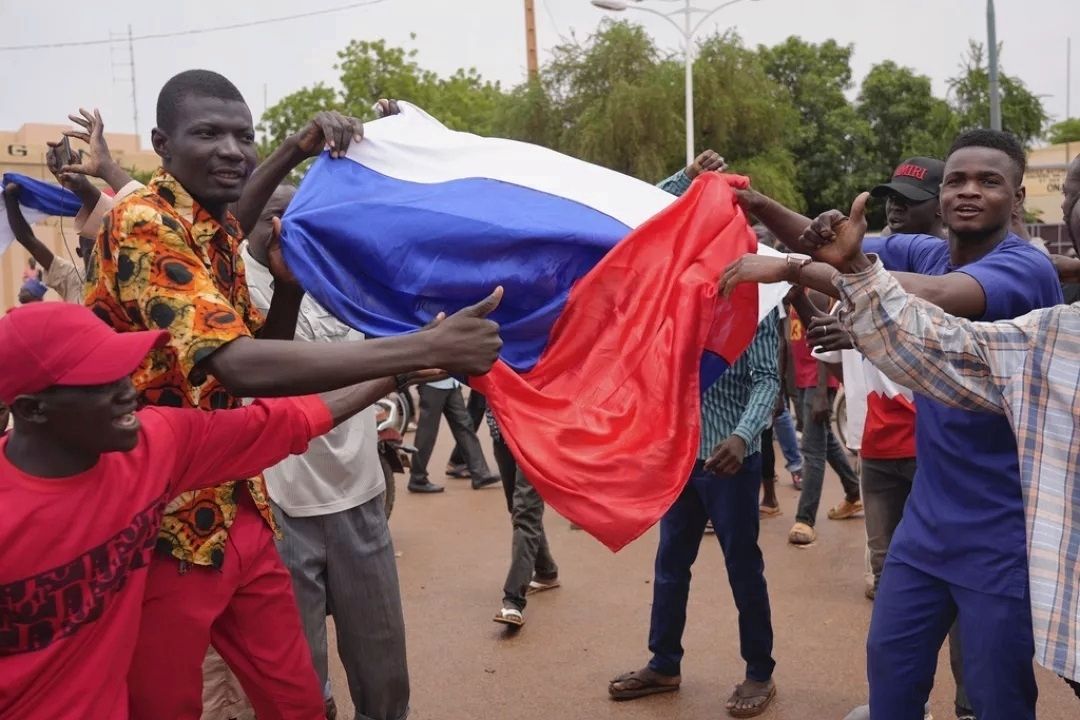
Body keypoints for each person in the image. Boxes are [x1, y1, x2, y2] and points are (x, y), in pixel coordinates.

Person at [83, 69, 502, 719]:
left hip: (238, 505)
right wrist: (426, 350)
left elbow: (245, 340)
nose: (231, 148)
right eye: (208, 133)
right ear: (162, 144)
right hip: (158, 526)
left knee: (298, 699)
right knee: (162, 706)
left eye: (243, 135)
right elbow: (241, 368)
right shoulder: (143, 221)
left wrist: (294, 171)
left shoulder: (209, 228)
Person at [721, 130, 1065, 720]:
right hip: (928, 524)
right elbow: (828, 241)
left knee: (997, 695)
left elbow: (931, 296)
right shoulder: (927, 248)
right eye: (957, 180)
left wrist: (787, 268)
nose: (968, 192)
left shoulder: (1025, 269)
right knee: (890, 670)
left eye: (989, 181)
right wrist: (757, 206)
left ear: (1018, 194)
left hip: (1003, 531)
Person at [0, 301, 425, 719]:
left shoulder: (154, 446)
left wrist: (403, 368)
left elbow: (284, 421)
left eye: (123, 370)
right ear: (31, 409)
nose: (128, 391)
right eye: (99, 381)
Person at [813, 157, 974, 719]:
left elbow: (922, 339)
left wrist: (863, 333)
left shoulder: (955, 280)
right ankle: (907, 704)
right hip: (876, 448)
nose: (895, 207)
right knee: (891, 578)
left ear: (941, 207)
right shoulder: (866, 265)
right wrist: (791, 279)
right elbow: (828, 329)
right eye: (890, 197)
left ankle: (969, 706)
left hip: (935, 453)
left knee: (958, 590)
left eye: (909, 196)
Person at [243, 185, 410, 720]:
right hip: (281, 508)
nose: (285, 229)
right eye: (274, 215)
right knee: (300, 687)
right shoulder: (230, 287)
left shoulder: (344, 281)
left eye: (298, 217)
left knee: (384, 680)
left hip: (360, 497)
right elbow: (274, 378)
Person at [608, 309, 780, 718]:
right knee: (669, 563)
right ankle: (664, 664)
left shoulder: (757, 302)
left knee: (742, 567)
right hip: (681, 458)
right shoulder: (677, 297)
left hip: (731, 462)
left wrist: (742, 436)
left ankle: (760, 671)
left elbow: (767, 379)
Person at [784, 287, 862, 545]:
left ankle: (805, 520)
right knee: (823, 441)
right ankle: (853, 492)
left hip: (819, 382)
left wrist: (820, 391)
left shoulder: (815, 292)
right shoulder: (793, 293)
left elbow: (824, 340)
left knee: (811, 449)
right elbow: (791, 339)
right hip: (804, 380)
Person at [489, 410, 560, 627]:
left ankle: (513, 600)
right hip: (500, 431)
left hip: (535, 433)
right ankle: (546, 571)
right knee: (517, 507)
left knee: (525, 512)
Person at [408, 379, 499, 493]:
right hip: (433, 384)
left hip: (451, 383)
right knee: (427, 432)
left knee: (465, 426)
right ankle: (417, 478)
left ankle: (480, 473)